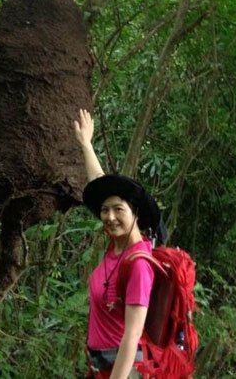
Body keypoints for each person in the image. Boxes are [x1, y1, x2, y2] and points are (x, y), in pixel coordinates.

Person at [74, 109, 163, 379]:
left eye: (118, 210)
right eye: (104, 210)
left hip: (123, 371)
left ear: (135, 213)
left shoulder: (138, 264)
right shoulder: (117, 247)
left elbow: (132, 334)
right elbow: (101, 182)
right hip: (101, 367)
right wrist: (86, 144)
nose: (109, 217)